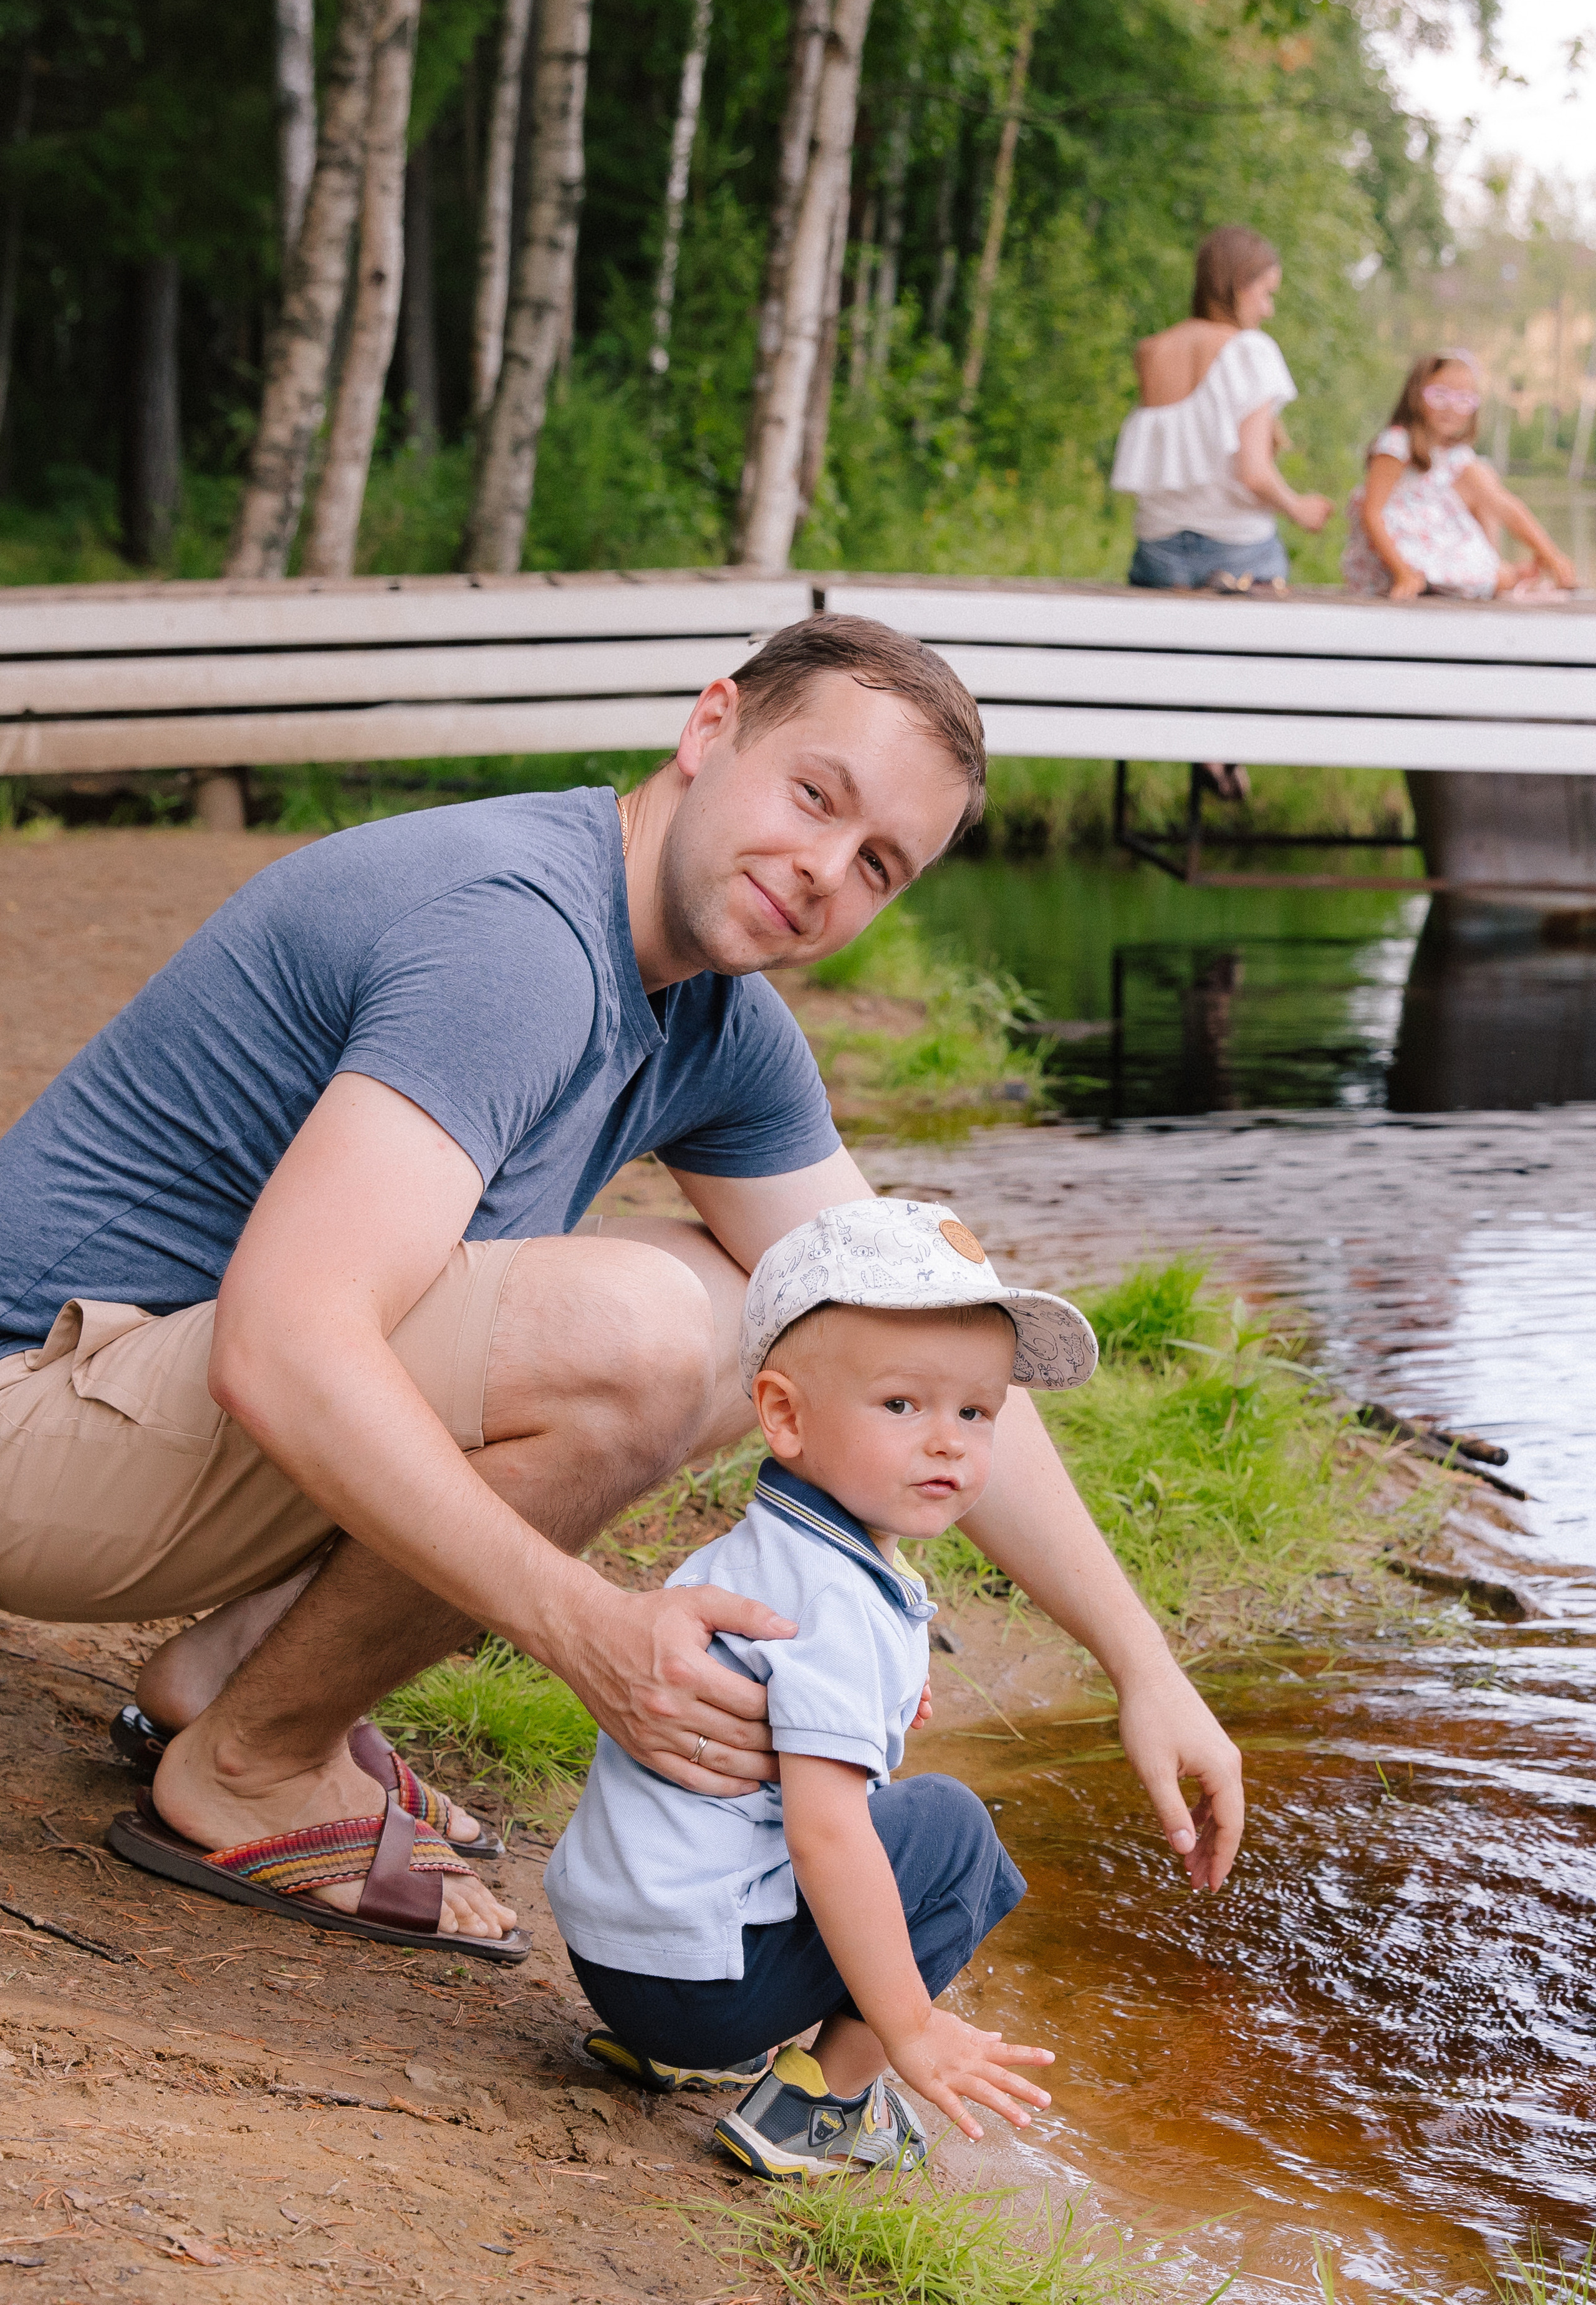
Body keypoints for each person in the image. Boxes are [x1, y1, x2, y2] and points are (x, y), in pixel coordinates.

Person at [0, 613, 1243, 1962]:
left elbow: (915, 1344)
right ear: (709, 729)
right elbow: (283, 1343)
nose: (822, 868)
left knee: (782, 1315)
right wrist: (588, 1629)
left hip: (132, 1415)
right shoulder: (520, 936)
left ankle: (239, 1681)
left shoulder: (717, 1024)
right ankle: (251, 1767)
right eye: (813, 794)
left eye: (878, 862)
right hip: (36, 1421)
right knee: (646, 1333)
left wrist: (1141, 1661)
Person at [547, 1196, 1094, 2178]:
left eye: (976, 1410)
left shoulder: (751, 1555)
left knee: (886, 1812)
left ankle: (679, 2053)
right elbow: (826, 1830)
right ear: (785, 1413)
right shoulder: (837, 1598)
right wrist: (914, 2024)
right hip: (698, 1983)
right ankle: (827, 2099)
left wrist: (879, 1707)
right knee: (955, 1833)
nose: (949, 1441)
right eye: (903, 1404)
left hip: (616, 1957)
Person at [1112, 224, 1334, 597]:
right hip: (1236, 552)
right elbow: (1253, 474)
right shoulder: (1252, 350)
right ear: (1239, 286)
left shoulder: (1151, 352)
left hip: (1158, 553)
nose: (1269, 309)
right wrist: (1299, 508)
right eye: (1266, 293)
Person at [1342, 352, 1576, 599]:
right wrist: (1403, 573)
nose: (1451, 408)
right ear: (1416, 395)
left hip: (1430, 545)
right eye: (1440, 396)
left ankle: (1504, 572)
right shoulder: (1397, 444)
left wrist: (1551, 553)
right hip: (1393, 557)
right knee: (1499, 578)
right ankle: (1502, 574)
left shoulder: (1454, 455)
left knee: (1484, 484)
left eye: (1464, 400)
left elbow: (1504, 505)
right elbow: (1372, 512)